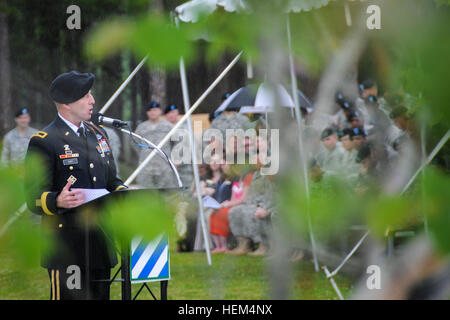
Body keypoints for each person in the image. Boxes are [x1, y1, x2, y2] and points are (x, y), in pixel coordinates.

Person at [24, 70, 128, 300]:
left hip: (101, 242)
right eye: (86, 95)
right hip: (67, 246)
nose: (92, 101)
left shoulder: (99, 136)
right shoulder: (45, 141)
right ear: (67, 103)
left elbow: (111, 180)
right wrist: (56, 200)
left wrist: (124, 193)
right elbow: (32, 196)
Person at [227, 153, 275, 256]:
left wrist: (263, 206)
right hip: (256, 203)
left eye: (255, 161)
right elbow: (253, 194)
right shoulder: (256, 175)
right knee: (234, 211)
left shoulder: (270, 174)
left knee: (252, 213)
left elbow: (270, 194)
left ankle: (263, 245)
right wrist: (252, 203)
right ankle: (243, 243)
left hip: (266, 204)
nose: (253, 164)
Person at [209, 163, 253, 253]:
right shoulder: (236, 181)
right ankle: (218, 245)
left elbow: (243, 199)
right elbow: (233, 198)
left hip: (241, 204)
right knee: (214, 214)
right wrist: (227, 203)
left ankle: (225, 245)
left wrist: (229, 204)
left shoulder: (248, 179)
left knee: (222, 214)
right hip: (233, 204)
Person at [134, 102, 176, 189]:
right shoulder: (141, 127)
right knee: (146, 194)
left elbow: (177, 143)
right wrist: (144, 154)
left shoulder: (168, 126)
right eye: (150, 111)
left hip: (164, 167)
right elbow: (135, 143)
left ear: (160, 111)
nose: (153, 112)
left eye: (155, 110)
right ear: (147, 113)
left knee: (167, 194)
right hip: (146, 167)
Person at [165, 103, 194, 189]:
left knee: (185, 190)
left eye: (173, 112)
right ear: (166, 115)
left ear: (177, 113)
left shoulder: (185, 128)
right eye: (169, 113)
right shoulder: (163, 129)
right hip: (167, 168)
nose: (171, 115)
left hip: (184, 168)